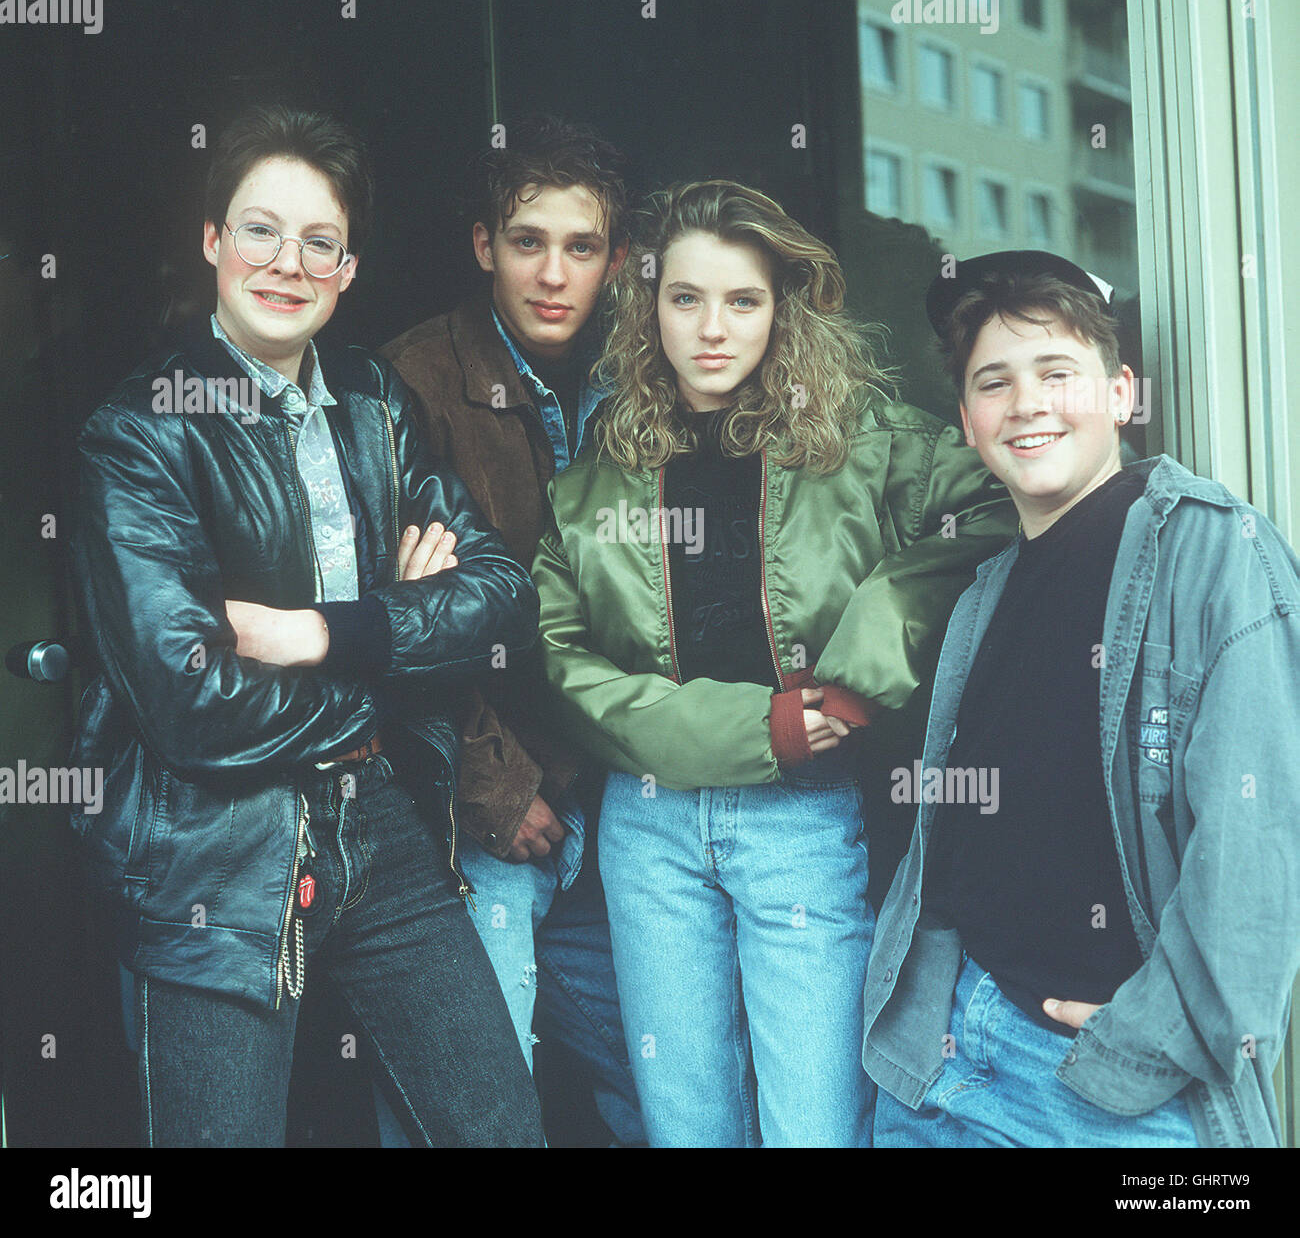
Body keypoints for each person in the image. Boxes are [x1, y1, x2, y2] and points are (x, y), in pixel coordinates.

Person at [70, 104, 544, 1147]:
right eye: (258, 230)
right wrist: (399, 638)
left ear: (350, 266)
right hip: (215, 851)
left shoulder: (373, 399)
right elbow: (191, 700)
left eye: (318, 240)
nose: (287, 262)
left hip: (379, 814)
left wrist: (316, 632)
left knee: (501, 1129)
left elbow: (505, 591)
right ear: (210, 242)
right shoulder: (139, 435)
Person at [531, 180, 1014, 1147]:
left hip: (802, 819)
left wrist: (861, 662)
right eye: (686, 299)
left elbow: (998, 511)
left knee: (818, 1126)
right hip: (651, 822)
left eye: (743, 301)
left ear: (783, 310)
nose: (713, 329)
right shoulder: (594, 479)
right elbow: (563, 658)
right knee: (687, 1126)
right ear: (648, 306)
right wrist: (769, 726)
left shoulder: (867, 444)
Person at [864, 250, 1300, 1148]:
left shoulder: (1213, 551)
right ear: (969, 422)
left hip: (1105, 1091)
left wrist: (1149, 1041)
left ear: (1120, 394)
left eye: (1056, 372)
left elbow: (1258, 844)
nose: (1025, 402)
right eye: (995, 382)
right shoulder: (983, 591)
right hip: (943, 1059)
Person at [379, 116, 644, 1144]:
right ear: (484, 243)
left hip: (616, 793)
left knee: (650, 1065)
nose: (553, 272)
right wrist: (497, 783)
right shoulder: (408, 383)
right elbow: (402, 619)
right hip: (480, 810)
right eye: (527, 240)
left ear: (616, 259)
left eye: (581, 247)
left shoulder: (647, 372)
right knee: (475, 1092)